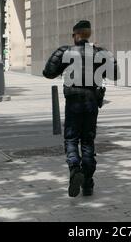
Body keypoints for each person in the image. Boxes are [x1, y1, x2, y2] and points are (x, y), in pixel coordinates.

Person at [43, 20, 118, 198]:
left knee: (71, 138)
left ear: (76, 35)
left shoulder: (65, 51)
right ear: (89, 34)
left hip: (73, 101)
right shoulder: (99, 52)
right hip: (92, 100)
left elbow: (48, 73)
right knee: (88, 141)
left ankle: (75, 168)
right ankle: (88, 183)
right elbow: (115, 74)